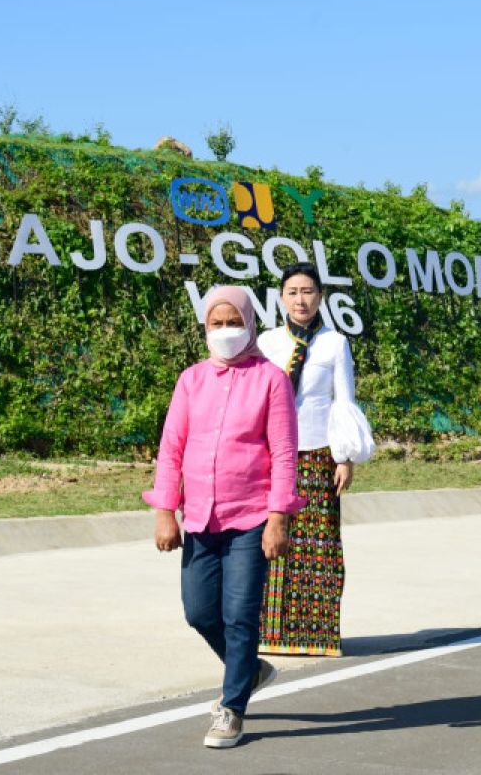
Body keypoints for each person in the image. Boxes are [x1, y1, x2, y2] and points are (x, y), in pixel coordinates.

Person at [144, 285, 305, 749]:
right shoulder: (190, 380)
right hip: (198, 518)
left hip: (251, 515)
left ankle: (232, 708)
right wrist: (164, 512)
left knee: (239, 616)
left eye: (233, 322)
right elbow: (170, 449)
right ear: (204, 328)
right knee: (199, 612)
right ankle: (250, 670)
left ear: (250, 323)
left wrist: (279, 517)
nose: (225, 331)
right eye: (216, 324)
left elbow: (284, 453)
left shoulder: (271, 379)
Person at [256, 262, 374, 657]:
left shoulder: (334, 343)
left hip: (317, 454)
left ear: (320, 297)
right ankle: (268, 633)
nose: (300, 299)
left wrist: (344, 457)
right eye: (292, 292)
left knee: (317, 543)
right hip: (273, 455)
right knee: (269, 540)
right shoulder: (267, 342)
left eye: (308, 291)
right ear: (281, 298)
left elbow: (345, 400)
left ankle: (316, 634)